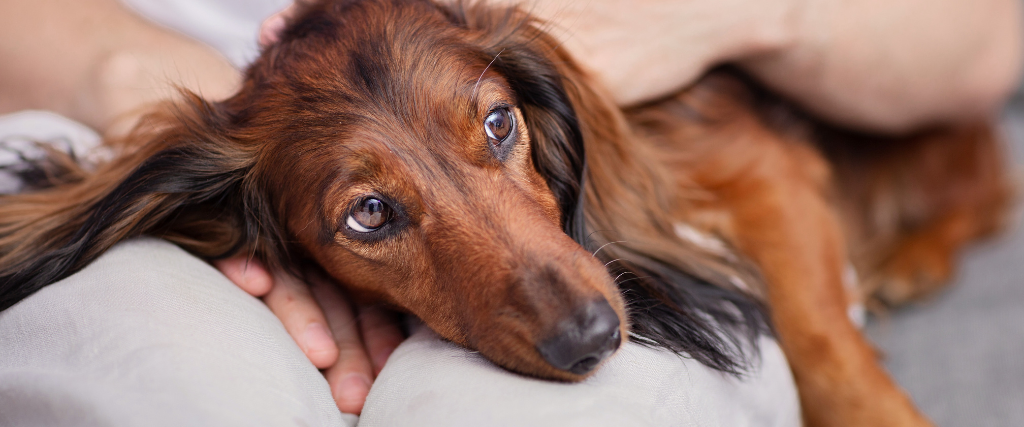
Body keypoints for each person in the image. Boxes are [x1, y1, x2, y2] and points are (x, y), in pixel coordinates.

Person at [0, 0, 1020, 421]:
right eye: (374, 214)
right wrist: (125, 69)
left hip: (627, 115)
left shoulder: (549, 83)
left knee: (607, 404)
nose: (554, 301)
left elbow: (984, 38)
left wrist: (721, 12)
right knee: (163, 386)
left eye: (496, 134)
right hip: (130, 109)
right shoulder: (209, 171)